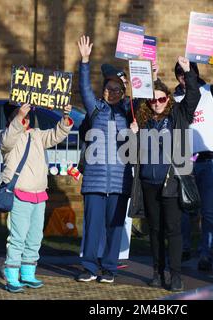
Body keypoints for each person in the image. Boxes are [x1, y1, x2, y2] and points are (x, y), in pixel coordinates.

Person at [129, 56, 201, 291]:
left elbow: (194, 96)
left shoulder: (179, 115)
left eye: (161, 99)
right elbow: (138, 97)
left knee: (173, 229)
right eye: (153, 100)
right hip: (149, 181)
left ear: (168, 99)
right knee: (156, 230)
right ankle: (158, 272)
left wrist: (189, 72)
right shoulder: (143, 118)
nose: (157, 103)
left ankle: (176, 275)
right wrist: (149, 76)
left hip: (171, 181)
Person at [76, 35, 133, 284]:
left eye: (117, 89)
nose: (112, 92)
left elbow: (146, 99)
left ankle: (109, 269)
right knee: (92, 227)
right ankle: (89, 267)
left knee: (115, 227)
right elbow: (84, 88)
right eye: (109, 88)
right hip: (95, 182)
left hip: (120, 181)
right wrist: (85, 61)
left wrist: (149, 74)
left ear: (123, 92)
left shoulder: (129, 111)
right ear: (104, 90)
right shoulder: (95, 108)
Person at [1, 102, 73, 293]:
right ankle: (11, 276)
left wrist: (64, 118)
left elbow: (56, 135)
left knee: (34, 237)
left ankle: (27, 273)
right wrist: (19, 117)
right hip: (19, 193)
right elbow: (7, 142)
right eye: (19, 114)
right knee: (18, 238)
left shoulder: (36, 134)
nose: (25, 117)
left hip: (39, 194)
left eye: (26, 113)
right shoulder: (8, 135)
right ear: (11, 118)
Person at [174, 57, 213, 271]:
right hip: (187, 160)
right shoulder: (175, 97)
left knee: (209, 211)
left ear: (194, 72)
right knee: (185, 208)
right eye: (180, 75)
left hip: (211, 158)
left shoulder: (211, 91)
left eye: (187, 73)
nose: (184, 78)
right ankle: (185, 247)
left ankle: (206, 253)